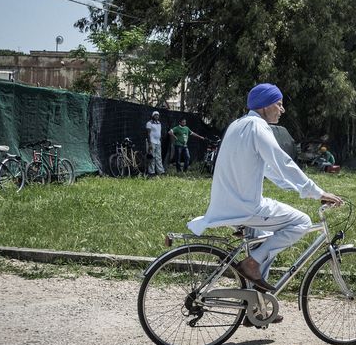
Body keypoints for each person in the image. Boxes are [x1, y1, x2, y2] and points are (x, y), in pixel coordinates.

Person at [188, 83, 343, 300]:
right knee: (302, 222)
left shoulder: (238, 125)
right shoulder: (258, 127)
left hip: (226, 205)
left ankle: (257, 305)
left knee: (264, 241)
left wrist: (298, 189)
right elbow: (283, 162)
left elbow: (271, 169)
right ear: (264, 106)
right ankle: (250, 264)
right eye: (278, 104)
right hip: (247, 207)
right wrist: (317, 193)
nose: (282, 109)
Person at [144, 111, 165, 176]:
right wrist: (149, 143)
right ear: (152, 116)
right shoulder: (149, 123)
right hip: (152, 142)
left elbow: (159, 132)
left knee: (159, 157)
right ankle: (151, 172)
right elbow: (148, 133)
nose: (157, 116)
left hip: (158, 142)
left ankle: (160, 171)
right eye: (155, 115)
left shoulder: (159, 123)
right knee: (152, 157)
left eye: (158, 115)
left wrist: (160, 140)